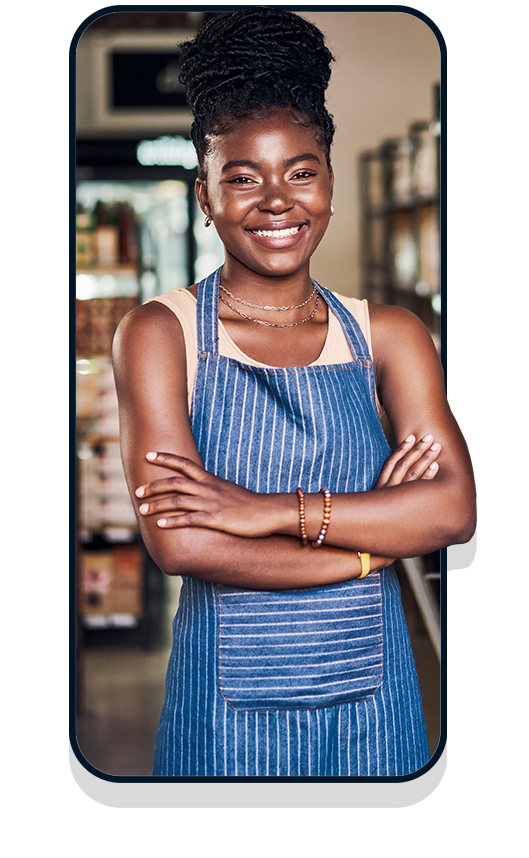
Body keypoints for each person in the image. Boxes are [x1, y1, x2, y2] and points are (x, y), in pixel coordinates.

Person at [113, 8, 474, 777]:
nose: (276, 200)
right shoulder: (159, 333)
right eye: (241, 177)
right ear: (203, 196)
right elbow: (181, 543)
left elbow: (449, 510)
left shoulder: (390, 335)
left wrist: (263, 512)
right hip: (227, 714)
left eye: (300, 171)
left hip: (374, 704)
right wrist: (369, 549)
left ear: (330, 185)